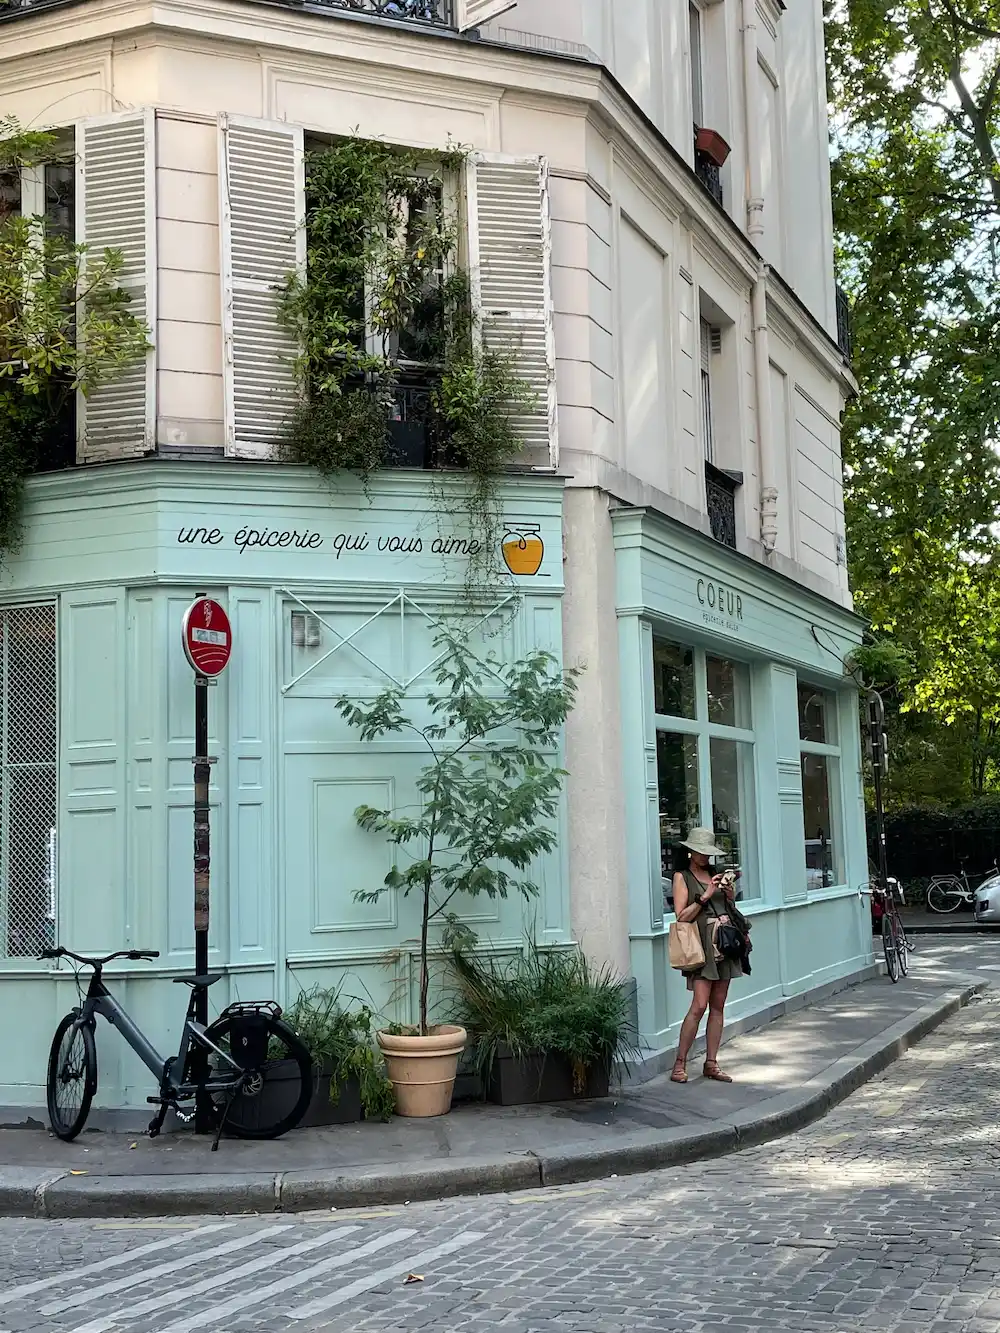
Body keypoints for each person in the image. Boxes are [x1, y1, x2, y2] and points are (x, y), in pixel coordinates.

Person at [669, 827, 745, 1085]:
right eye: (700, 852)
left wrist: (729, 895)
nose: (704, 857)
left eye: (707, 853)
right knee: (699, 1005)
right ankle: (680, 1062)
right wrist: (705, 896)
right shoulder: (683, 876)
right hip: (701, 947)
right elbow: (681, 917)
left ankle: (711, 1062)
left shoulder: (715, 874)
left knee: (718, 1005)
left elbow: (730, 909)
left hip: (724, 945)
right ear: (690, 851)